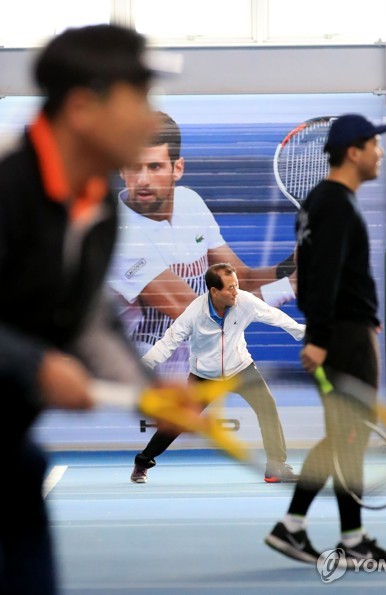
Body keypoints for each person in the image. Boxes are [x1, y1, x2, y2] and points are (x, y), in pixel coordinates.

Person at [0, 24, 193, 594]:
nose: (150, 119)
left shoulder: (97, 209)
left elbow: (86, 320)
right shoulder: (5, 186)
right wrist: (32, 365)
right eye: (140, 98)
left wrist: (148, 388)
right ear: (83, 107)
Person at [265, 114, 386, 567]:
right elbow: (321, 276)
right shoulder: (335, 204)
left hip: (348, 329)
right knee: (349, 435)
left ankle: (311, 530)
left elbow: (323, 274)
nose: (380, 152)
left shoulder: (322, 202)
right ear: (353, 151)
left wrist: (362, 316)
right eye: (374, 144)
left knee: (343, 436)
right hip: (343, 338)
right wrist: (324, 337)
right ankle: (336, 536)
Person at [107, 111, 298, 382]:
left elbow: (240, 279)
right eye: (134, 167)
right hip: (141, 385)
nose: (143, 180)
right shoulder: (118, 233)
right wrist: (291, 286)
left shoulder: (189, 203)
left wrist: (292, 264)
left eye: (155, 167)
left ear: (178, 168)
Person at [131, 262, 304, 484]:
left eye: (237, 285)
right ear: (214, 291)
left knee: (267, 409)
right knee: (179, 420)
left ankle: (276, 467)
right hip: (204, 376)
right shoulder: (194, 312)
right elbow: (168, 343)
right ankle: (143, 461)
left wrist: (304, 333)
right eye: (230, 288)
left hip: (241, 368)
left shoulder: (244, 301)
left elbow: (276, 316)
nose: (236, 292)